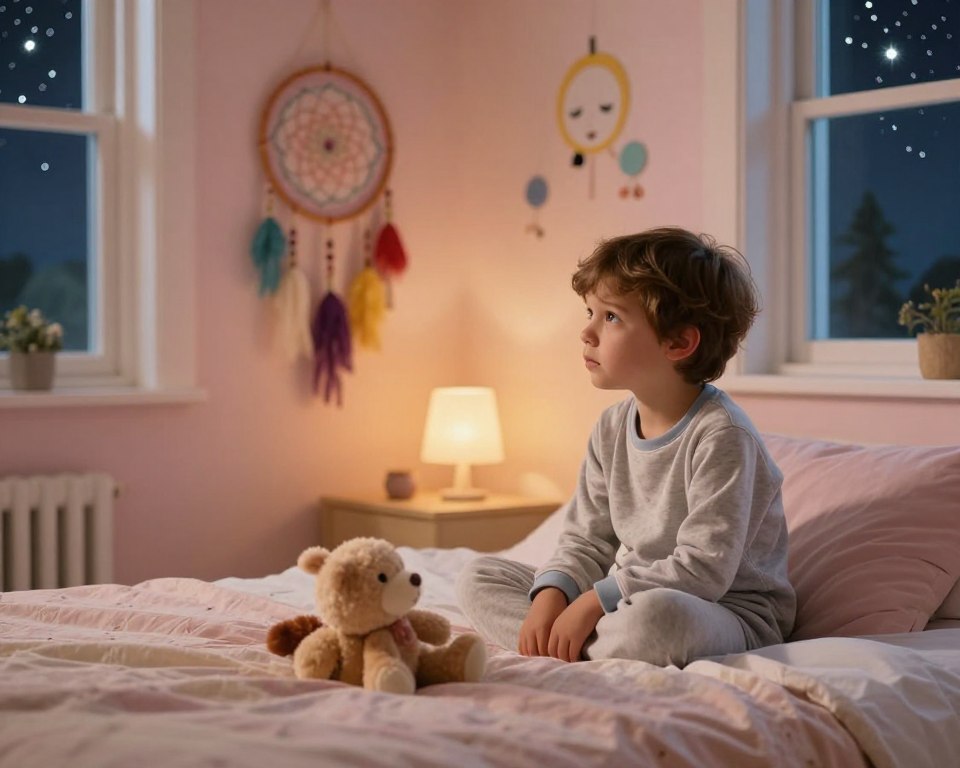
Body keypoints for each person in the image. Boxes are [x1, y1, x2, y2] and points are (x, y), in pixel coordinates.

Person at [456, 227, 796, 668]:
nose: (587, 332)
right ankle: (567, 642)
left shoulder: (722, 436)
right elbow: (586, 538)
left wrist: (594, 603)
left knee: (659, 620)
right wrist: (554, 595)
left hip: (723, 610)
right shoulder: (611, 427)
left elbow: (704, 569)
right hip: (620, 599)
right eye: (590, 312)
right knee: (478, 577)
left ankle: (572, 644)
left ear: (678, 342)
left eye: (611, 317)